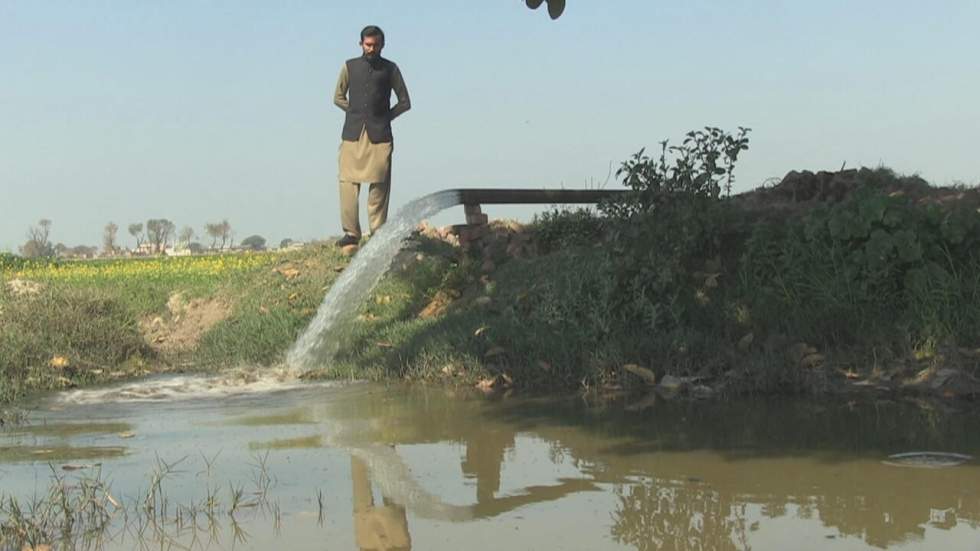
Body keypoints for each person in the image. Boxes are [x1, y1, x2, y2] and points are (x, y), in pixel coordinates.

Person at [333, 25, 411, 249]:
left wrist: (385, 117)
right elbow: (338, 96)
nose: (372, 48)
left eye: (376, 45)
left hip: (380, 135)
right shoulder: (349, 67)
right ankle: (351, 233)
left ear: (382, 45)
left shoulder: (391, 69)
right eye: (368, 44)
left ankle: (377, 232)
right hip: (353, 133)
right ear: (360, 44)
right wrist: (354, 111)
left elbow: (405, 102)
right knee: (347, 182)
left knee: (379, 183)